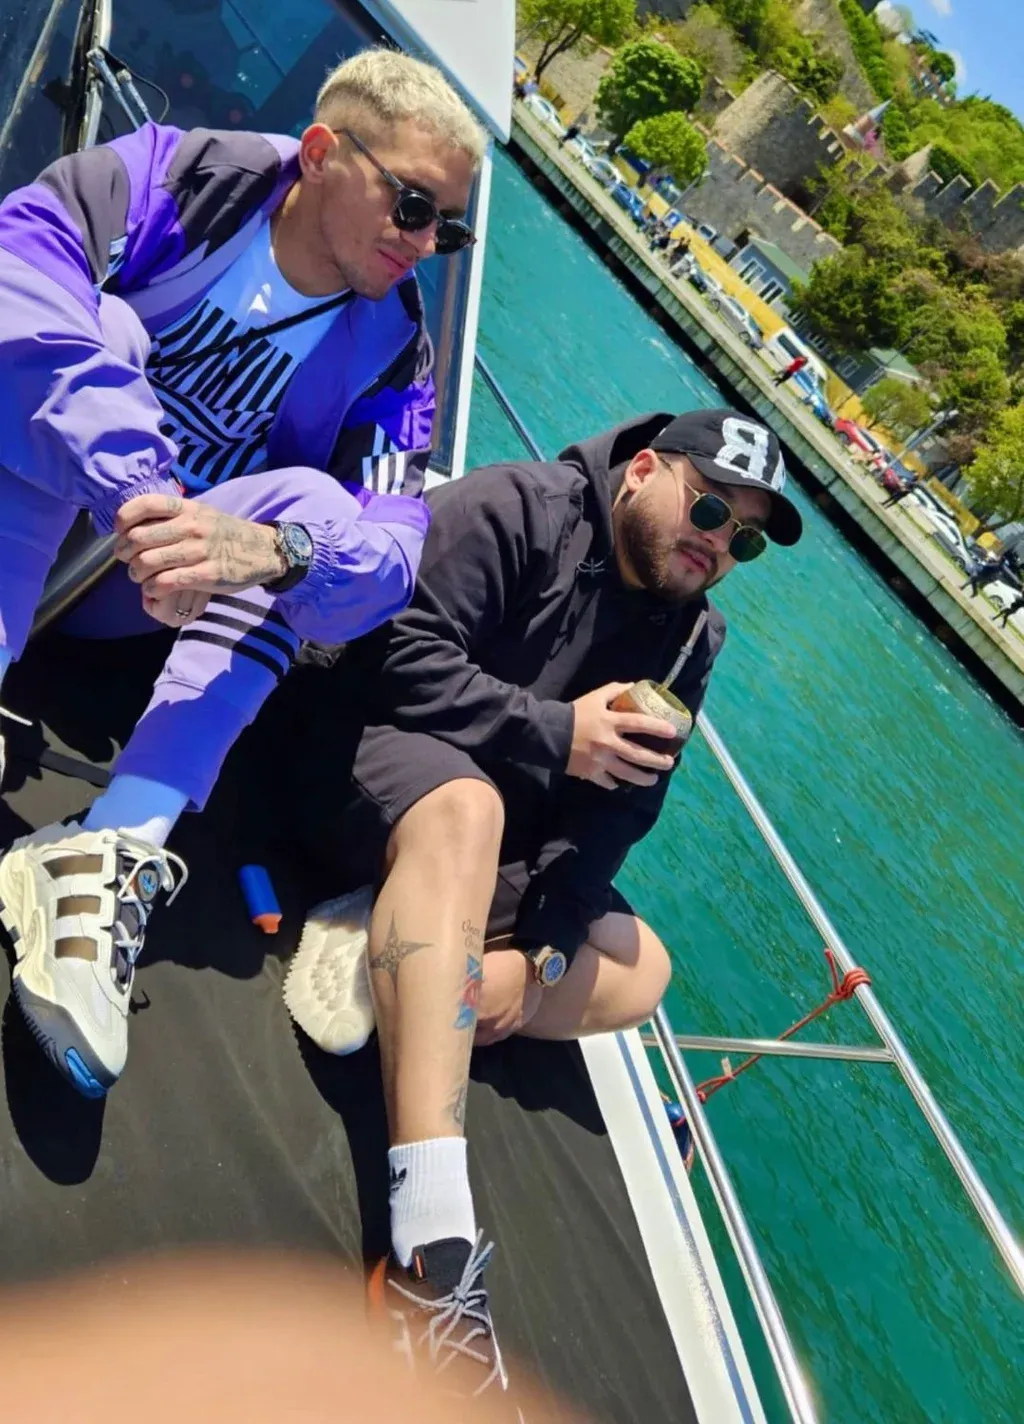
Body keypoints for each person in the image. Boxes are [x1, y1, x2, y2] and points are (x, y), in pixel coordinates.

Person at [272, 407, 803, 1397]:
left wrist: (540, 958)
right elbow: (385, 650)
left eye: (746, 539)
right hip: (355, 759)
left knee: (642, 970)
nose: (718, 543)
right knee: (466, 809)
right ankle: (429, 1252)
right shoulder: (517, 507)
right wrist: (554, 731)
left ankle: (403, 957)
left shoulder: (692, 638)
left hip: (482, 844)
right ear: (643, 470)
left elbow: (619, 815)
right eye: (709, 508)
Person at [0, 49, 486, 1097]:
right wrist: (139, 486)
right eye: (411, 206)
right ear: (319, 153)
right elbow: (19, 266)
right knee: (103, 328)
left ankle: (106, 851)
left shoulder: (395, 356)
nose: (422, 245)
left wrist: (273, 550)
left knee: (316, 519)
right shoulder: (182, 180)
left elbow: (393, 553)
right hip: (32, 502)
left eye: (445, 230)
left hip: (132, 592)